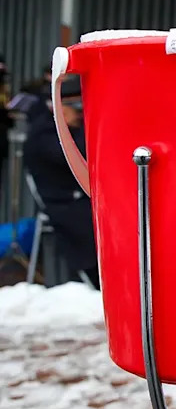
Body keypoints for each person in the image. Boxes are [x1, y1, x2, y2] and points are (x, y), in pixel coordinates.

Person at [22, 77, 100, 289]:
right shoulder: (45, 134)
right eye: (76, 109)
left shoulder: (70, 129)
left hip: (81, 198)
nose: (80, 115)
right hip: (64, 202)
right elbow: (82, 156)